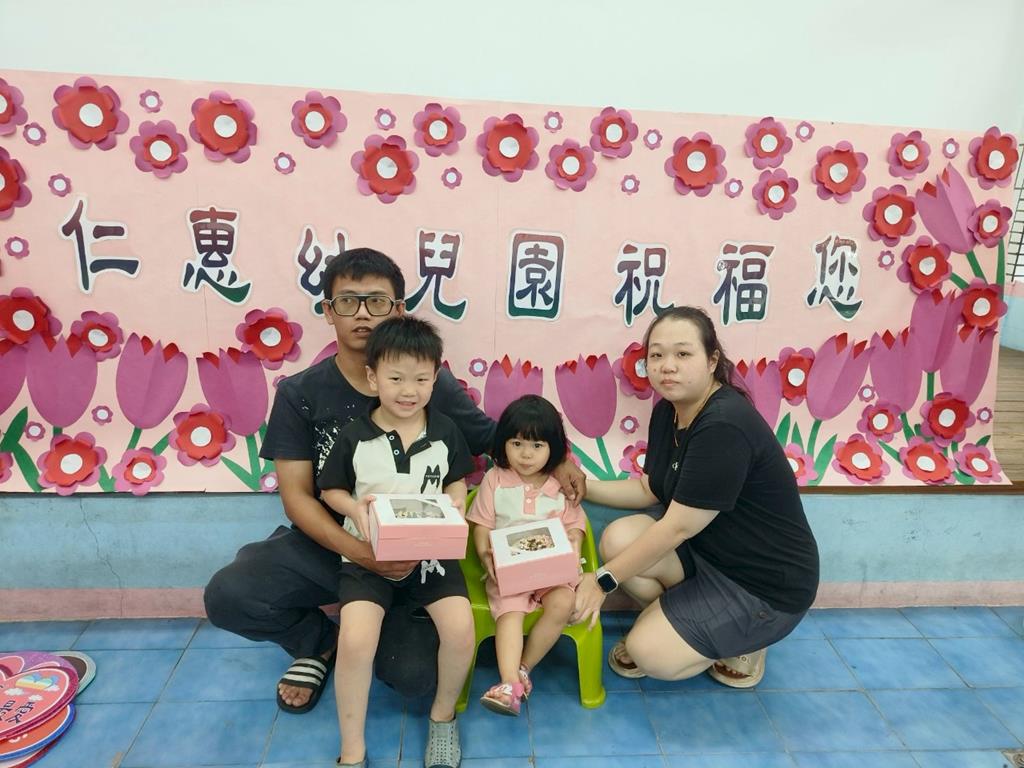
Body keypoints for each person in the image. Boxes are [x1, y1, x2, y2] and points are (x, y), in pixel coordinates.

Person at [203, 248, 585, 715]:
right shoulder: (301, 393)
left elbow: (495, 439)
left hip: (415, 556)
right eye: (348, 301)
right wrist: (362, 552)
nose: (363, 313)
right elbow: (298, 497)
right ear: (328, 311)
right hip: (332, 545)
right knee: (229, 595)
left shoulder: (427, 384)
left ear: (399, 309)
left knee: (416, 677)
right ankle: (319, 643)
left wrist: (559, 459)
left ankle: (370, 632)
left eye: (378, 301)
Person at [572, 306, 819, 688]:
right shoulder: (668, 412)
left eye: (683, 354)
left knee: (647, 653)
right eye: (657, 355)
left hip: (763, 584)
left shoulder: (724, 424)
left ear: (712, 360)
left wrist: (602, 581)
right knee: (618, 538)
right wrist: (582, 487)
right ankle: (688, 626)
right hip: (708, 555)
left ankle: (745, 640)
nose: (667, 366)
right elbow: (650, 489)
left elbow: (676, 528)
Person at [318, 315, 474, 768]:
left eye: (421, 379)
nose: (409, 390)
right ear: (373, 378)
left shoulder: (444, 430)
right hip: (366, 559)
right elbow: (331, 491)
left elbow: (457, 480)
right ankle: (352, 748)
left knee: (461, 629)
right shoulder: (355, 435)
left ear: (436, 377)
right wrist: (355, 510)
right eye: (396, 378)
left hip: (431, 556)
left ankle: (442, 717)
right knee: (355, 641)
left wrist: (456, 502)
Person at [466, 395, 587, 716]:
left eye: (537, 445)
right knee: (510, 612)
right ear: (503, 444)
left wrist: (574, 542)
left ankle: (523, 668)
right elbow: (482, 525)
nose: (526, 454)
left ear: (553, 448)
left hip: (552, 572)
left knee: (563, 602)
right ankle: (508, 684)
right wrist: (485, 554)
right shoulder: (495, 480)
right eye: (516, 443)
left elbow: (576, 527)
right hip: (508, 571)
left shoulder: (560, 485)